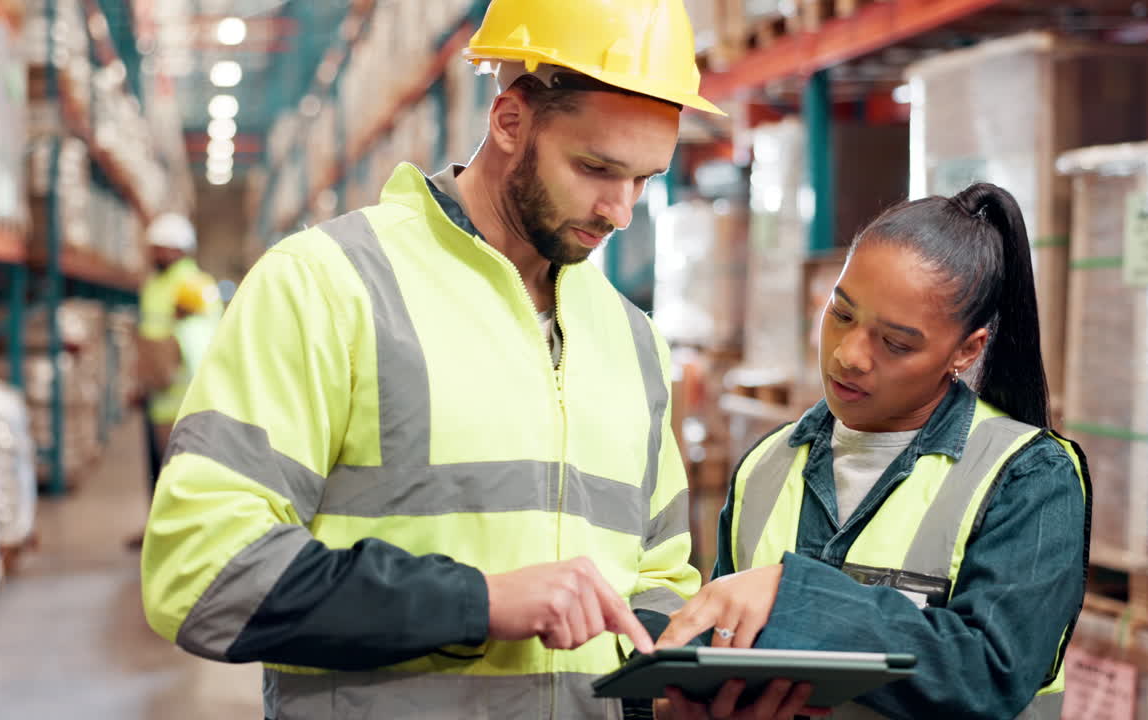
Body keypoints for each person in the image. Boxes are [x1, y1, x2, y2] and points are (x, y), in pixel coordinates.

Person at [140, 1, 724, 718]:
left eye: (644, 179)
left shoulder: (632, 341)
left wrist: (673, 682)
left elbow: (659, 578)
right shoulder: (328, 286)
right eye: (596, 167)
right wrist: (477, 603)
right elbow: (201, 573)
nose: (620, 211)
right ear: (509, 120)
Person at [656, 183, 1092, 720]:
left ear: (966, 350)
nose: (850, 355)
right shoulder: (766, 465)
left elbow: (989, 671)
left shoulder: (1027, 476)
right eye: (840, 314)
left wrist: (795, 596)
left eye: (896, 343)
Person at [127, 213, 221, 551]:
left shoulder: (194, 285)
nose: (156, 254)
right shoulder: (155, 284)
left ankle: (184, 532)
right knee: (156, 466)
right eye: (154, 248)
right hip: (157, 389)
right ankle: (158, 527)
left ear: (180, 250)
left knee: (183, 467)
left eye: (162, 249)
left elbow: (203, 339)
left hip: (184, 391)